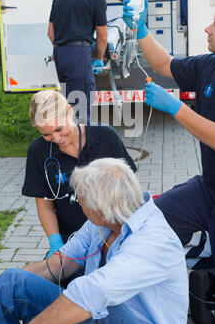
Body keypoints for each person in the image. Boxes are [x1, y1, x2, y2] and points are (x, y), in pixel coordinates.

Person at [0, 158, 188, 324]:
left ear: (102, 209)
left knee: (90, 311)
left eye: (80, 200)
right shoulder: (102, 223)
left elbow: (93, 293)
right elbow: (57, 264)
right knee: (11, 282)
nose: (78, 203)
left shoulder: (154, 242)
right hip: (98, 313)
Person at [123, 0, 215, 268]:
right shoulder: (209, 65)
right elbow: (164, 64)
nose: (207, 28)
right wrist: (140, 29)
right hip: (208, 190)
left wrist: (176, 108)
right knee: (146, 224)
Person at [22, 90, 136, 259]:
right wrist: (56, 242)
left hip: (111, 233)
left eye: (59, 129)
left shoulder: (105, 137)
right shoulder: (38, 152)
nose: (56, 138)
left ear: (69, 111)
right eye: (46, 134)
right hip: (71, 238)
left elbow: (129, 191)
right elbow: (45, 205)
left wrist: (123, 233)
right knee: (56, 277)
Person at [48, 0, 111, 121]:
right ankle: (81, 144)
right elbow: (102, 37)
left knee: (69, 105)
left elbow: (50, 32)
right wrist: (98, 58)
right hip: (78, 55)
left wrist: (62, 48)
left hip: (60, 55)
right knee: (81, 108)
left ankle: (70, 140)